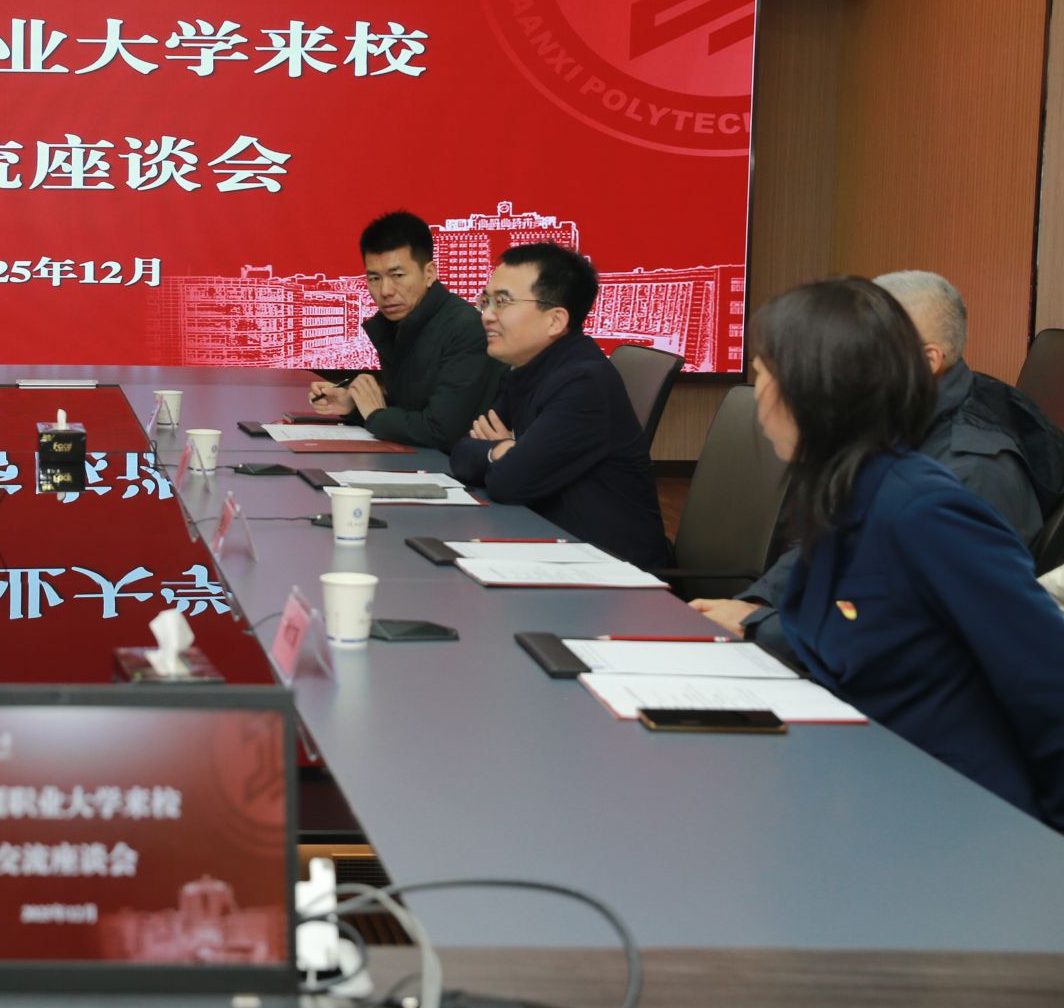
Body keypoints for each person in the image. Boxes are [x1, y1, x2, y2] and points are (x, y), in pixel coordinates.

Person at [720, 277, 1064, 829]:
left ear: (813, 390)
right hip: (863, 785)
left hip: (955, 816)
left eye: (763, 372)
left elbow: (1047, 677)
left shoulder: (922, 508)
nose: (755, 390)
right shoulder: (846, 489)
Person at [696, 269, 1064, 651]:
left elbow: (914, 630)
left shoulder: (973, 471)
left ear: (927, 361)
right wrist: (759, 604)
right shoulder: (886, 423)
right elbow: (831, 542)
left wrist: (763, 626)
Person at [448, 243, 672, 569]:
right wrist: (503, 450)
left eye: (503, 302)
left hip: (614, 574)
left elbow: (510, 482)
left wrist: (505, 455)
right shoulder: (526, 370)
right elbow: (462, 453)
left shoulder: (584, 383)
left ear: (555, 320)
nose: (487, 315)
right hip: (556, 549)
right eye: (486, 301)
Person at [306, 211, 502, 448]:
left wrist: (376, 415)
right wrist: (353, 406)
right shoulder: (399, 323)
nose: (385, 290)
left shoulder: (467, 329)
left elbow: (443, 430)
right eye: (374, 278)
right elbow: (410, 408)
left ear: (429, 273)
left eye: (397, 275)